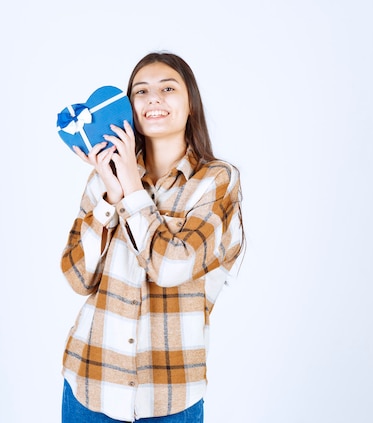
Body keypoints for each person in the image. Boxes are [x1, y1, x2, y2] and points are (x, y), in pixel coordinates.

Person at [60, 51, 245, 423]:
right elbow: (78, 278)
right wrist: (110, 198)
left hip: (169, 396)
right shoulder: (103, 178)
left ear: (190, 103)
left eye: (168, 88)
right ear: (129, 108)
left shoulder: (215, 181)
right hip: (89, 383)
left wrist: (131, 188)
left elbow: (172, 267)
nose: (153, 98)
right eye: (140, 91)